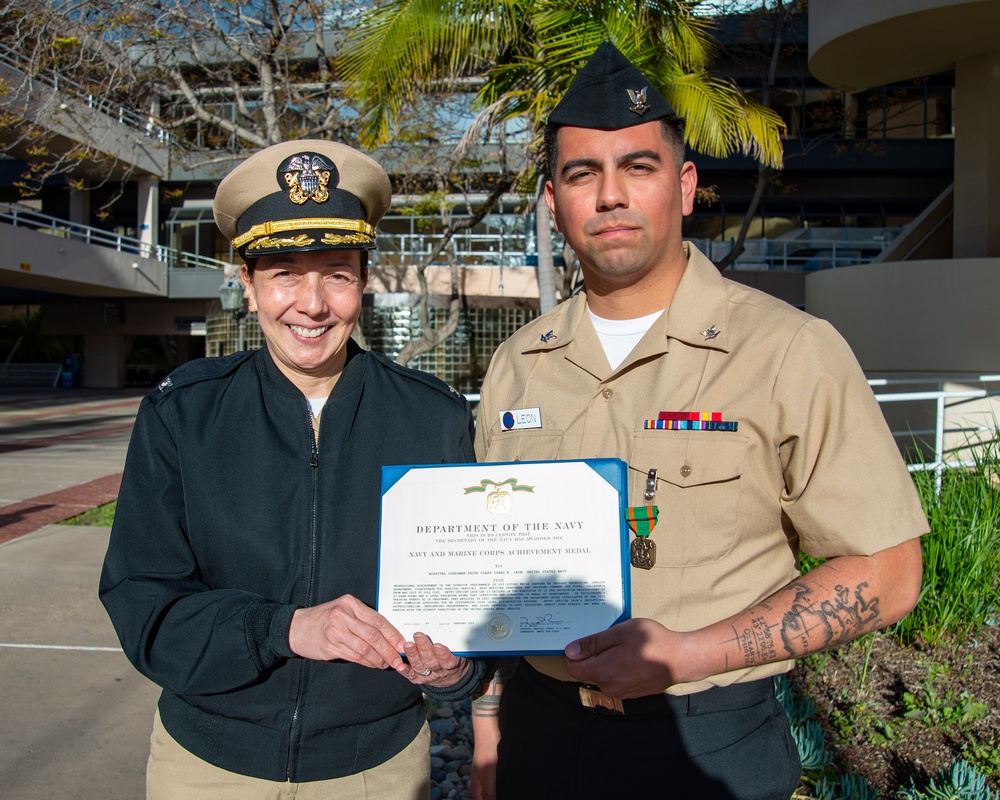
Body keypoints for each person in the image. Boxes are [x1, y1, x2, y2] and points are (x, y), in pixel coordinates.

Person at [469, 43, 928, 800]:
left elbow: (888, 572)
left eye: (638, 168)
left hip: (707, 741)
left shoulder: (787, 351)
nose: (610, 195)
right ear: (553, 201)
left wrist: (689, 654)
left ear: (684, 187)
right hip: (538, 736)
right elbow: (497, 567)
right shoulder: (519, 364)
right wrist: (490, 726)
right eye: (583, 174)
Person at [100, 139, 487, 800]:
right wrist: (285, 627)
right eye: (283, 273)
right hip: (208, 768)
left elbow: (475, 602)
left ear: (363, 281)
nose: (312, 304)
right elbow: (145, 609)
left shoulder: (434, 420)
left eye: (336, 272)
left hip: (379, 770)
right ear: (247, 287)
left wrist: (456, 670)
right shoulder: (181, 416)